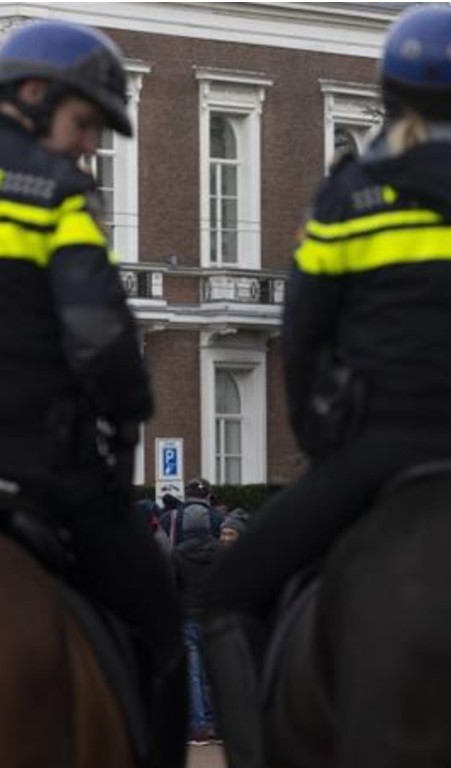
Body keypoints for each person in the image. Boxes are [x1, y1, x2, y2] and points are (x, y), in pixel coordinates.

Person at [202, 6, 451, 767]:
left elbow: (305, 341)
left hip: (382, 447)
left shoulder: (351, 197)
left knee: (224, 598)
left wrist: (326, 447)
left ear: (390, 95)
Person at [0, 20, 186, 768]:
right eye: (84, 124)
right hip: (39, 473)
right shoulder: (57, 196)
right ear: (35, 97)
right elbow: (101, 340)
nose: (88, 147)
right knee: (162, 629)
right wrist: (125, 417)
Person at [172, 504, 222, 747]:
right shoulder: (220, 550)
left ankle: (199, 726)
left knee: (192, 674)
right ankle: (217, 724)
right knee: (212, 672)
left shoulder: (178, 553)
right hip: (213, 617)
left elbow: (174, 586)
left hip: (188, 617)